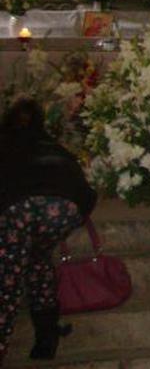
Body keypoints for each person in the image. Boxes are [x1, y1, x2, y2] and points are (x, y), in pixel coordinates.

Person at [0, 98, 97, 364]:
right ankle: (46, 337)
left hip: (19, 208)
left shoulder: (6, 145)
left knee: (8, 277)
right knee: (38, 260)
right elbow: (86, 191)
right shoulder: (55, 147)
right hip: (65, 207)